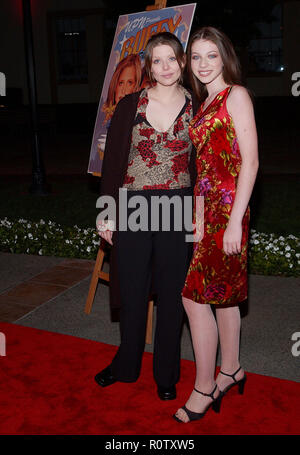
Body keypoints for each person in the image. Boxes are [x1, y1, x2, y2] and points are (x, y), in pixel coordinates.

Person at [94, 32, 199, 400]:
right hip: (135, 207)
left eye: (172, 59)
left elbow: (204, 169)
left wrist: (199, 214)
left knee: (172, 296)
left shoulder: (197, 107)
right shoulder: (129, 105)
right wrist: (107, 214)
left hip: (177, 209)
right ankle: (126, 366)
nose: (166, 67)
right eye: (158, 60)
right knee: (133, 291)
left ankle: (166, 375)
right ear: (149, 66)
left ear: (183, 62)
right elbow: (112, 165)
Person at [173, 26, 259, 423]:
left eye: (211, 55)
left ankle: (205, 386)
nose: (203, 64)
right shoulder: (204, 102)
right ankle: (232, 369)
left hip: (229, 211)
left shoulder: (235, 95)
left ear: (225, 57)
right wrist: (197, 217)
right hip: (206, 211)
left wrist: (235, 223)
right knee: (222, 295)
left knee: (193, 298)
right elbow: (204, 164)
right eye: (196, 56)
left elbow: (250, 163)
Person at [102, 54, 142, 125]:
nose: (123, 90)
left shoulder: (139, 121)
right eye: (121, 83)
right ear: (114, 86)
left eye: (130, 83)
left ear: (137, 88)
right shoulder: (104, 120)